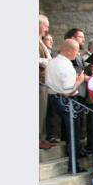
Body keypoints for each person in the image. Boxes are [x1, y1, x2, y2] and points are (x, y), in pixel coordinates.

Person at [44, 39, 87, 172]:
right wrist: (79, 81)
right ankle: (73, 165)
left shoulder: (53, 62)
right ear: (69, 50)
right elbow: (69, 91)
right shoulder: (66, 66)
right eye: (76, 50)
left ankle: (73, 164)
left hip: (53, 98)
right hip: (66, 101)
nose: (77, 53)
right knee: (73, 134)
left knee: (69, 133)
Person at [39, 15, 54, 150]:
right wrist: (45, 61)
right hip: (39, 80)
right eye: (45, 25)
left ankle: (40, 138)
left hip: (43, 81)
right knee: (39, 111)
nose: (47, 29)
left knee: (42, 111)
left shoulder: (39, 40)